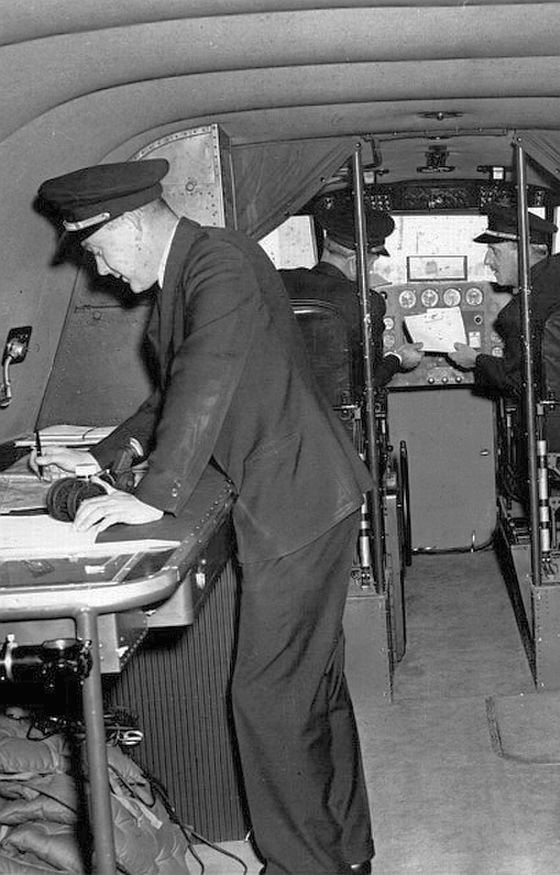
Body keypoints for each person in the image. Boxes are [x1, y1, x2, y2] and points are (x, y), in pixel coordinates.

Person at [34, 159, 374, 875]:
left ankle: (301, 866)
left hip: (297, 500)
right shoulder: (193, 272)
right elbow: (170, 397)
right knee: (312, 687)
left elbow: (208, 371)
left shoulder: (219, 262)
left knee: (268, 700)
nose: (98, 271)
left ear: (124, 224)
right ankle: (344, 852)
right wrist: (99, 458)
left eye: (96, 250)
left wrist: (152, 493)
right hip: (300, 493)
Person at [447, 205, 560, 398]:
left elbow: (519, 382)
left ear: (523, 251)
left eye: (494, 251)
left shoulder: (518, 313)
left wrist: (476, 360)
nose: (487, 260)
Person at [280, 209, 422, 390]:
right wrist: (398, 358)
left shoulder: (279, 282)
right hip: (337, 414)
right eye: (371, 264)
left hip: (282, 408)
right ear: (355, 263)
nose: (370, 271)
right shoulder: (366, 301)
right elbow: (371, 380)